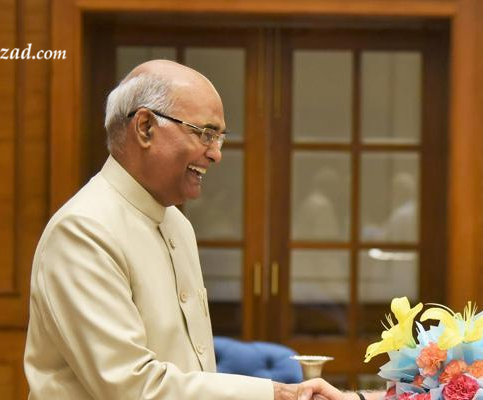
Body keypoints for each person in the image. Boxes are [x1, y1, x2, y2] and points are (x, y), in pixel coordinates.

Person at [23, 59, 332, 399]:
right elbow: (130, 387)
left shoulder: (177, 224)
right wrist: (274, 394)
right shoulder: (83, 231)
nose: (215, 154)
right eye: (205, 133)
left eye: (219, 138)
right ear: (145, 127)